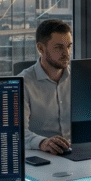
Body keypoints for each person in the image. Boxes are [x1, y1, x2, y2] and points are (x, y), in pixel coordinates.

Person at [19, 19, 73, 155]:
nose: (66, 53)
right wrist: (42, 142)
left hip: (76, 152)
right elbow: (17, 132)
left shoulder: (79, 79)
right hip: (41, 154)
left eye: (69, 46)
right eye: (59, 47)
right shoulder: (23, 83)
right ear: (41, 49)